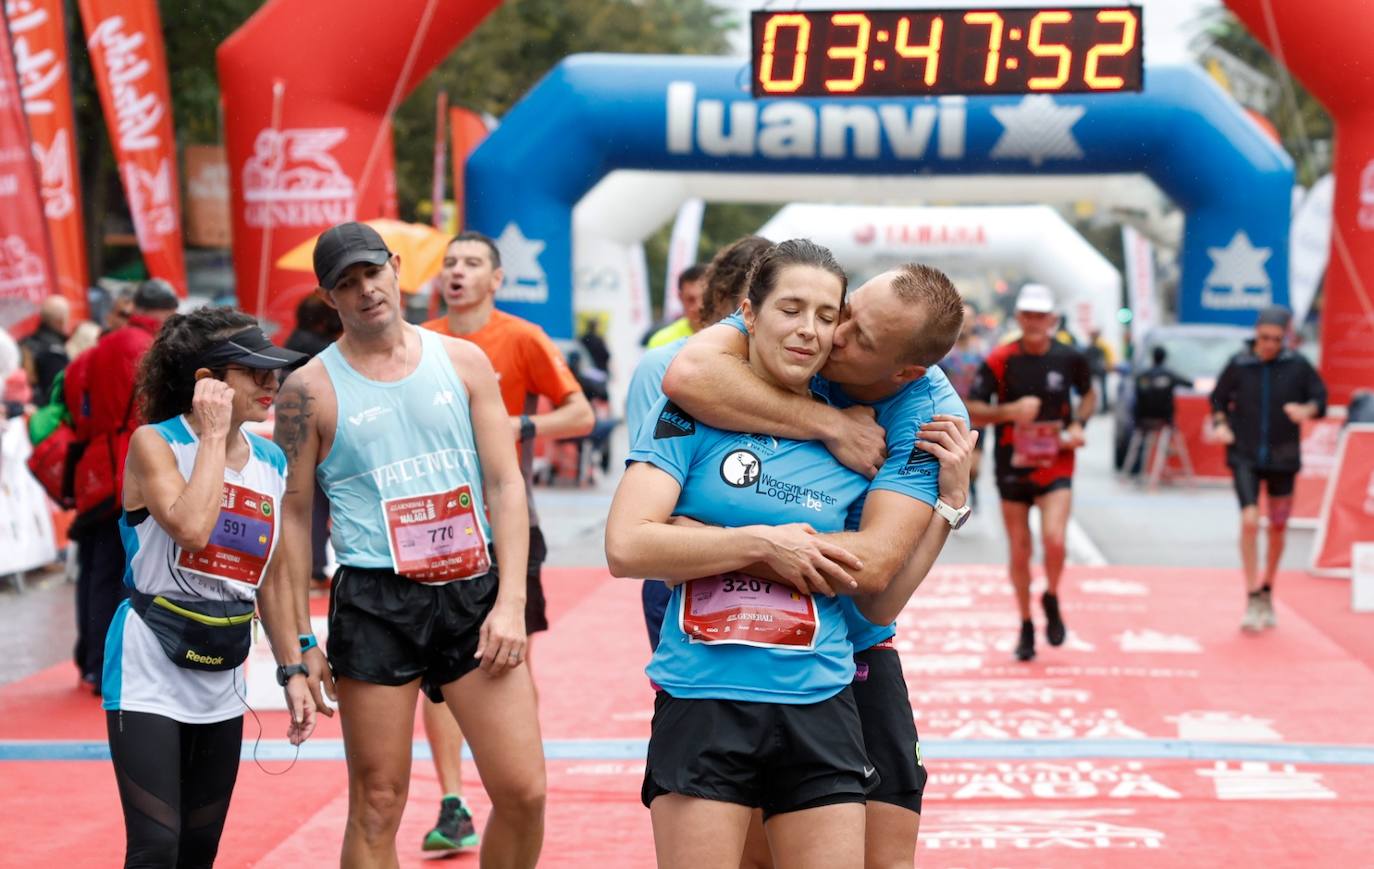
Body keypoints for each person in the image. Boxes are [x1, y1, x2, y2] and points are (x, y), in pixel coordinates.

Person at [660, 259, 971, 868]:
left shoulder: (932, 418)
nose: (834, 334)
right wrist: (828, 422)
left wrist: (710, 545)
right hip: (731, 648)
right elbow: (687, 373)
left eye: (861, 338)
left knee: (884, 860)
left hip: (851, 652)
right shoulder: (803, 314)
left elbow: (876, 578)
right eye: (847, 311)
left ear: (906, 371)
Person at [272, 221, 545, 867]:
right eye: (347, 282)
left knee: (524, 790)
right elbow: (292, 516)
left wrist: (510, 602)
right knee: (377, 801)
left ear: (396, 266)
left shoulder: (464, 360)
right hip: (374, 600)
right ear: (328, 296)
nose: (366, 290)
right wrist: (298, 644)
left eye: (372, 272)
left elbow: (506, 484)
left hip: (471, 589)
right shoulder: (302, 391)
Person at [104, 306, 313, 867]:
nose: (272, 383)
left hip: (222, 667)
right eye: (254, 372)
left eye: (274, 371)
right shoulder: (156, 444)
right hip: (150, 663)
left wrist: (293, 667)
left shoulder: (270, 459)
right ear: (207, 383)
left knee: (199, 850)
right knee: (156, 848)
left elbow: (268, 576)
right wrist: (215, 437)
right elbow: (194, 529)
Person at [420, 229, 592, 853]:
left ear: (496, 280)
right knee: (434, 670)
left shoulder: (521, 338)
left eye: (472, 263)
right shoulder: (422, 341)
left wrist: (517, 423)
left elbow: (581, 415)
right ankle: (452, 800)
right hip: (433, 527)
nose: (458, 272)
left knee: (510, 656)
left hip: (510, 521)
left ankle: (513, 781)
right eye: (450, 263)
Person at [625, 234, 773, 651]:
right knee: (690, 706)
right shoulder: (663, 365)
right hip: (685, 569)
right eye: (757, 299)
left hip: (776, 570)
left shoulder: (794, 374)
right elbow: (647, 490)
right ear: (725, 296)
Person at [966, 283, 1094, 662]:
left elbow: (1089, 395)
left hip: (1056, 460)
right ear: (1019, 318)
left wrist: (1079, 425)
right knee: (1020, 549)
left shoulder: (1070, 358)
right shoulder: (1000, 359)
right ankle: (1025, 623)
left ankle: (1051, 595)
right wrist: (1010, 412)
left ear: (1052, 319)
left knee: (1055, 540)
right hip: (1013, 462)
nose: (1036, 322)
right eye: (1029, 315)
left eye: (1042, 316)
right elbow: (971, 407)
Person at [69, 278, 180, 693]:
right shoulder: (149, 349)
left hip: (99, 465)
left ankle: (92, 661)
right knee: (126, 570)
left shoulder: (101, 347)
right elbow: (149, 413)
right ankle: (109, 665)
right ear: (167, 310)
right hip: (130, 466)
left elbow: (76, 401)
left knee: (97, 570)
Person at [1210, 305, 1326, 631]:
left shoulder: (1297, 366)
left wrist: (1306, 410)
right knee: (1249, 520)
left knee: (1277, 526)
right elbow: (1218, 399)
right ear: (1256, 333)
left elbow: (1320, 400)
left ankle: (1267, 588)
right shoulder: (1240, 363)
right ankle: (1249, 592)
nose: (1269, 345)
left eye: (1276, 339)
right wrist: (1221, 423)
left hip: (1283, 456)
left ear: (1286, 337)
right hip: (1244, 454)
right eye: (1264, 338)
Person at [282, 294, 343, 591]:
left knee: (305, 504)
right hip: (323, 432)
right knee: (321, 503)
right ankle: (317, 567)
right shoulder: (327, 353)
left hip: (296, 435)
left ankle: (310, 568)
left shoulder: (293, 343)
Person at [939, 302, 987, 510]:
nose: (965, 324)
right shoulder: (944, 352)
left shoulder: (983, 352)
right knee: (951, 463)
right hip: (951, 418)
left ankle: (971, 485)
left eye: (969, 319)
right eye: (962, 319)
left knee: (974, 467)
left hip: (977, 418)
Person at [21, 295, 71, 404]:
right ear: (60, 320)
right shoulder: (54, 350)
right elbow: (58, 391)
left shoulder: (25, 342)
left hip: (28, 407)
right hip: (45, 411)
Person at [646, 263, 707, 348]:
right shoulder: (661, 342)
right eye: (690, 299)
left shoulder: (729, 336)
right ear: (680, 297)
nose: (699, 306)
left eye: (705, 298)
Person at [1084, 327, 1116, 413]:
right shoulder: (1094, 346)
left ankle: (1103, 407)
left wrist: (1109, 365)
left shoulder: (1100, 346)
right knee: (1094, 390)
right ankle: (1095, 407)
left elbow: (1109, 357)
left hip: (1098, 370)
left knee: (1101, 390)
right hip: (1096, 370)